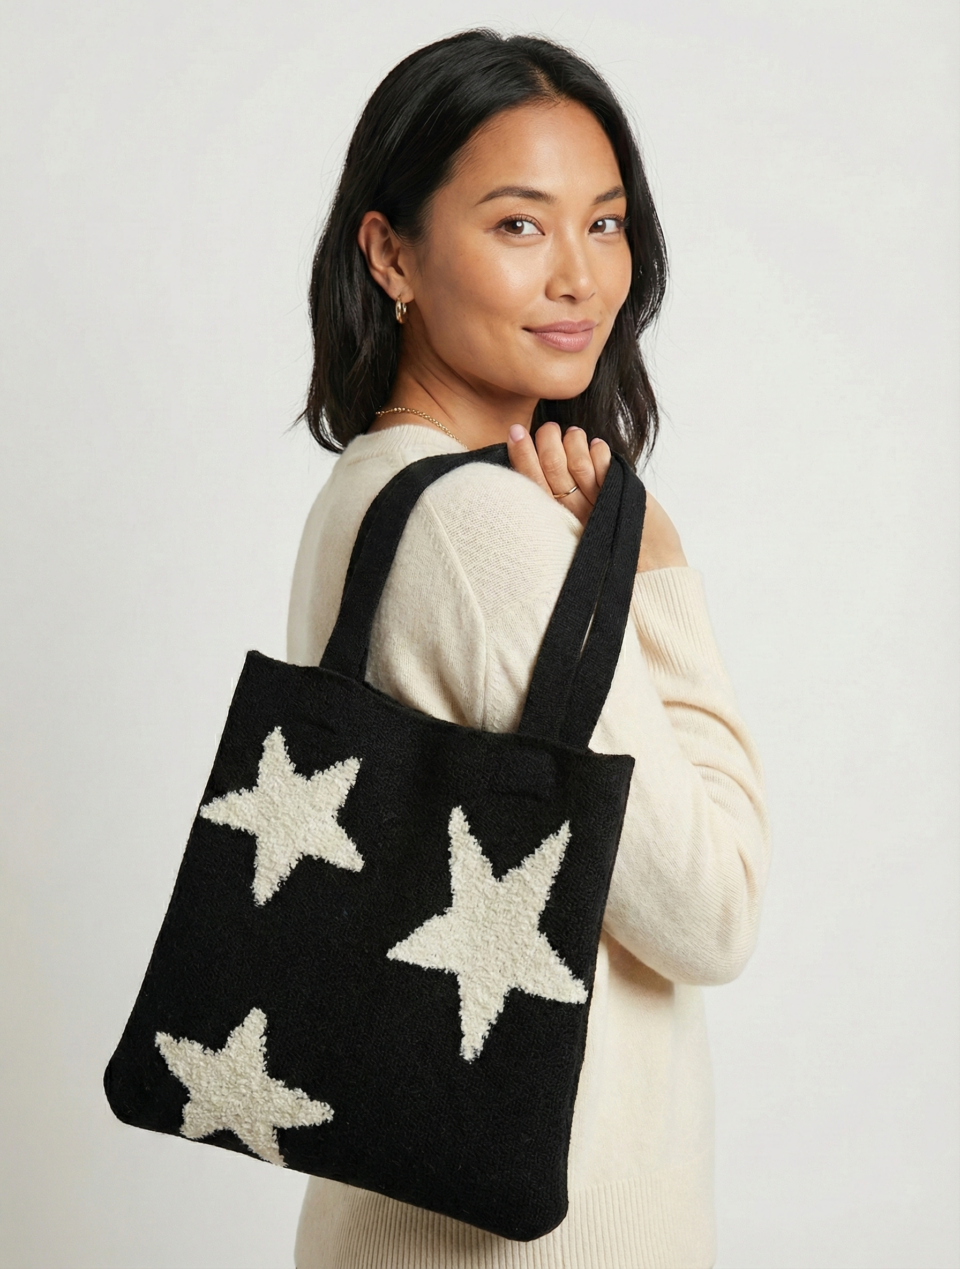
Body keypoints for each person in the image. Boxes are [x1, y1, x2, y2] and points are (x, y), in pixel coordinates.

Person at [287, 29, 769, 1269]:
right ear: (392, 253)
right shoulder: (485, 529)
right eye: (518, 224)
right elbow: (714, 909)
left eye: (604, 224)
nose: (579, 277)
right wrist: (655, 574)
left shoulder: (373, 488)